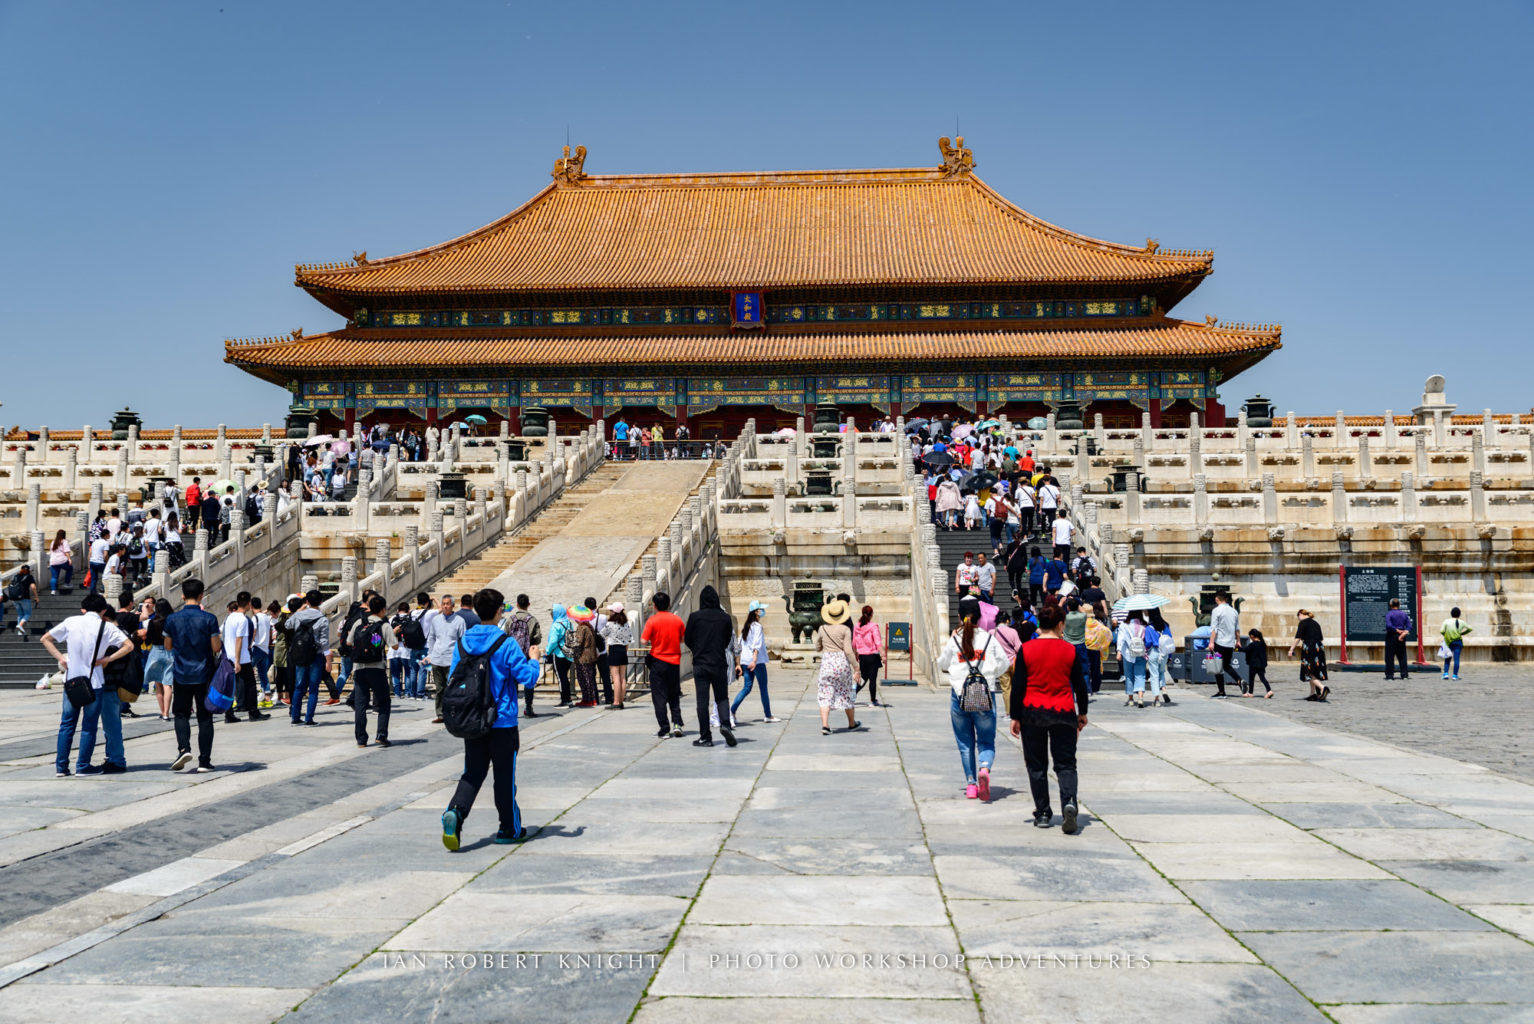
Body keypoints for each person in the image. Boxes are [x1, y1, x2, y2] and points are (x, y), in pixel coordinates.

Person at [441, 588, 542, 850]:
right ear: (499, 612)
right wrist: (534, 660)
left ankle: (456, 812)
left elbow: (454, 678)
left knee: (472, 773)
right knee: (504, 777)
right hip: (502, 721)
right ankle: (508, 828)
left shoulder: (463, 643)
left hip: (472, 719)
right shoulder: (505, 643)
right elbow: (527, 678)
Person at [1010, 601, 1090, 832]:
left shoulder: (1027, 649)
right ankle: (1069, 802)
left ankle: (1043, 813)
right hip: (1064, 712)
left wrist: (1015, 716)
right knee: (1066, 764)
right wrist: (1082, 712)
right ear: (1059, 624)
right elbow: (1079, 686)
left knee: (1036, 765)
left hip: (1032, 713)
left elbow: (1018, 686)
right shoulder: (1069, 650)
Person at [46, 593, 134, 776]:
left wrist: (62, 659)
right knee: (89, 726)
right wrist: (107, 658)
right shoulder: (106, 626)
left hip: (71, 680)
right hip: (94, 681)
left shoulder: (71, 621)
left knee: (67, 724)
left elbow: (45, 638)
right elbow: (129, 646)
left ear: (83, 608)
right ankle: (83, 766)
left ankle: (61, 767)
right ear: (103, 610)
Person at [937, 596, 1008, 801]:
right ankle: (984, 769)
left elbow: (942, 664)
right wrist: (989, 673)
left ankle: (971, 784)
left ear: (959, 617)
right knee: (986, 741)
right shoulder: (988, 638)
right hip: (984, 696)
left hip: (959, 695)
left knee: (965, 743)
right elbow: (1004, 663)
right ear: (980, 617)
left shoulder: (955, 640)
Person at [162, 579, 222, 771]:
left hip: (181, 673)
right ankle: (204, 760)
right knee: (205, 717)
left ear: (182, 595)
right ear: (201, 595)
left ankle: (183, 748)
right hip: (204, 673)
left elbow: (168, 646)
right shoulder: (209, 619)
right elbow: (215, 647)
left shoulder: (172, 619)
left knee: (181, 713)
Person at [684, 585, 736, 747]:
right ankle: (726, 724)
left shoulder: (695, 617)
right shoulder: (725, 618)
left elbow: (687, 639)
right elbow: (728, 639)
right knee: (722, 697)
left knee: (702, 701)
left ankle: (705, 736)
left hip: (701, 663)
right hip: (719, 662)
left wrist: (698, 650)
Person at [348, 595, 395, 747]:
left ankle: (361, 739)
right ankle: (381, 735)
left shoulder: (359, 623)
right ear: (383, 609)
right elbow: (394, 646)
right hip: (377, 668)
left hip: (360, 668)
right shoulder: (384, 625)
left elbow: (349, 641)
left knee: (360, 704)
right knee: (383, 702)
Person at [641, 591, 686, 738]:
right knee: (674, 694)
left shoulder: (652, 621)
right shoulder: (677, 620)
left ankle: (664, 728)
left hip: (658, 661)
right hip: (674, 662)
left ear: (654, 606)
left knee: (659, 696)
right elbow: (682, 639)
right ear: (669, 604)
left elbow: (643, 641)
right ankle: (677, 724)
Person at [814, 598, 860, 736]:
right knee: (846, 693)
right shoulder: (845, 629)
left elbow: (817, 647)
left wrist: (824, 645)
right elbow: (848, 650)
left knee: (825, 695)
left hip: (827, 663)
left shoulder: (822, 628)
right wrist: (856, 667)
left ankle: (825, 725)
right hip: (841, 664)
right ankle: (852, 724)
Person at [286, 589, 331, 725]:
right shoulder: (323, 619)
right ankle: (308, 718)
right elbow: (324, 642)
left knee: (299, 686)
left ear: (306, 602)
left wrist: (299, 612)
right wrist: (328, 660)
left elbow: (288, 625)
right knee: (313, 688)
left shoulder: (299, 615)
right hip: (316, 655)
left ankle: (295, 716)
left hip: (300, 654)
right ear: (321, 602)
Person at [221, 592, 268, 723]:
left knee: (230, 686)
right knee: (251, 685)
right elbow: (239, 640)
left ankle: (228, 714)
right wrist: (237, 661)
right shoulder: (242, 619)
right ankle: (253, 712)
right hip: (241, 658)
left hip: (229, 655)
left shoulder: (229, 617)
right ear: (249, 604)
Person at [728, 600, 772, 722]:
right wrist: (754, 660)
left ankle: (732, 711)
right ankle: (768, 715)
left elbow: (740, 645)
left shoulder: (746, 627)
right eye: (761, 609)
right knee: (763, 688)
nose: (763, 611)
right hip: (756, 662)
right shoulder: (757, 626)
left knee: (747, 688)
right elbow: (756, 645)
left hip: (745, 661)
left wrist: (739, 663)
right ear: (756, 611)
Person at [425, 594, 467, 723]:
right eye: (443, 603)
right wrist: (430, 654)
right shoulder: (436, 620)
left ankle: (454, 713)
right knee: (440, 689)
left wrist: (461, 659)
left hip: (451, 660)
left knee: (453, 689)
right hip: (437, 659)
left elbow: (463, 641)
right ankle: (441, 714)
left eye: (447, 604)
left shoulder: (459, 621)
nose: (445, 606)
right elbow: (431, 638)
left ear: (453, 605)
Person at [500, 593, 543, 716]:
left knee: (512, 682)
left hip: (513, 654)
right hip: (528, 654)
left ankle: (511, 708)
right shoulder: (532, 620)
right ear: (528, 604)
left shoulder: (511, 619)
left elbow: (505, 635)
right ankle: (528, 707)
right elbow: (537, 638)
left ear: (517, 604)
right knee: (529, 681)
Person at [1286, 609, 1329, 701]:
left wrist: (1291, 649)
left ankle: (1322, 688)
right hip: (1319, 648)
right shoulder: (1316, 623)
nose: (1299, 620)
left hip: (1309, 648)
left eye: (1298, 617)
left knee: (1307, 671)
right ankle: (1312, 694)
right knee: (1314, 671)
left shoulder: (1303, 623)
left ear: (1300, 614)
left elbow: (1297, 638)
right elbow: (1320, 639)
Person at [143, 598, 176, 721]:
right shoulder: (172, 621)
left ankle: (162, 712)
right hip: (170, 651)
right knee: (168, 684)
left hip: (156, 652)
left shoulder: (153, 622)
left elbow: (148, 640)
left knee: (158, 684)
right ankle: (167, 713)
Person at [1208, 591, 1241, 698]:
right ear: (1226, 599)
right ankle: (1239, 680)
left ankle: (1221, 692)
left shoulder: (1216, 611)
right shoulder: (1234, 611)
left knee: (1217, 668)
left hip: (1219, 643)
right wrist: (1238, 641)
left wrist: (1211, 642)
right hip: (1230, 644)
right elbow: (1237, 629)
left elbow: (1214, 629)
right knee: (1226, 665)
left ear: (1217, 599)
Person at [600, 603, 633, 710]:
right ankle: (621, 701)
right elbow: (629, 641)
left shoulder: (610, 624)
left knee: (616, 677)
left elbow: (601, 634)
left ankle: (616, 702)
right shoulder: (626, 624)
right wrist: (625, 650)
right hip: (623, 650)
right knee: (623, 677)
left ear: (614, 612)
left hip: (614, 649)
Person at [567, 604, 601, 707]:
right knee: (589, 678)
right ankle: (591, 699)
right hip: (590, 656)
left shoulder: (582, 628)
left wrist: (571, 640)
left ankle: (588, 699)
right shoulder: (589, 626)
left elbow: (579, 642)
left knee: (583, 678)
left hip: (583, 657)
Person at [851, 605, 883, 708]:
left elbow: (854, 642)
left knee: (863, 678)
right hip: (873, 655)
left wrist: (855, 653)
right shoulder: (873, 626)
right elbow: (877, 641)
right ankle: (873, 700)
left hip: (862, 656)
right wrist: (883, 654)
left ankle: (852, 695)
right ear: (871, 614)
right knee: (872, 679)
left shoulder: (857, 626)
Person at [1116, 610, 1150, 708]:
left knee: (1129, 675)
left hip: (1128, 654)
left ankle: (1131, 699)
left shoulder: (1124, 625)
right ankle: (1140, 698)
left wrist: (1119, 651)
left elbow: (1121, 639)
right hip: (1141, 653)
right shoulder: (1144, 625)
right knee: (1140, 675)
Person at [545, 603, 574, 707]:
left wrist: (547, 651)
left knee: (561, 678)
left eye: (553, 613)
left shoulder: (556, 625)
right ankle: (568, 698)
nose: (551, 615)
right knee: (564, 677)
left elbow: (553, 641)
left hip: (558, 654)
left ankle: (565, 699)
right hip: (568, 653)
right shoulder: (569, 623)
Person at [1145, 608, 1175, 707]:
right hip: (1164, 653)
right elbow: (1170, 641)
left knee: (1154, 675)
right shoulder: (1165, 626)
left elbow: (1148, 643)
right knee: (1162, 671)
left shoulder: (1149, 628)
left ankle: (1157, 699)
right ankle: (1164, 690)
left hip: (1154, 652)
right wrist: (1169, 656)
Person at [251, 594, 274, 706]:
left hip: (257, 647)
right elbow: (270, 631)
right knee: (263, 673)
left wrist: (249, 644)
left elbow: (254, 631)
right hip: (266, 648)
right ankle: (267, 697)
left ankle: (246, 696)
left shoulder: (254, 618)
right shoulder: (266, 617)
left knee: (246, 671)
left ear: (251, 606)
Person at [1384, 598, 1412, 681]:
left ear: (1391, 605)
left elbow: (1389, 625)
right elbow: (1409, 626)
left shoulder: (1389, 614)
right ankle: (1404, 675)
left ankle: (1390, 675)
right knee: (1402, 656)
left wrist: (1397, 630)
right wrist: (1404, 632)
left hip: (1392, 635)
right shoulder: (1404, 614)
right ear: (1399, 605)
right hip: (1402, 636)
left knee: (1389, 656)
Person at [1440, 608, 1471, 681]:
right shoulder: (1461, 622)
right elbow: (1470, 628)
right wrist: (1463, 633)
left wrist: (1446, 635)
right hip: (1458, 641)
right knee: (1456, 659)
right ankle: (1455, 675)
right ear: (1459, 614)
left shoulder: (1446, 621)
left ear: (1451, 614)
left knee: (1447, 658)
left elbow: (1441, 631)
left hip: (1449, 642)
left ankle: (1446, 674)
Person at [8, 565, 38, 639]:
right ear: (28, 570)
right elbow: (33, 587)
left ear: (21, 569)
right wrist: (36, 597)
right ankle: (20, 625)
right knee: (27, 614)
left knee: (20, 614)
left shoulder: (15, 576)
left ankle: (20, 631)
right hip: (24, 598)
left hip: (14, 598)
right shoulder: (29, 577)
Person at [1243, 628, 1271, 697]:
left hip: (1253, 665)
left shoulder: (1253, 644)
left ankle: (1250, 693)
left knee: (1251, 679)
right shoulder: (1263, 644)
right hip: (1261, 665)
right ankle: (1269, 691)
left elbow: (1246, 650)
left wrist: (1236, 648)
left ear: (1252, 636)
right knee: (1263, 678)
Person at [48, 530, 73, 594]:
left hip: (53, 561)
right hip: (62, 560)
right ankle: (67, 583)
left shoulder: (53, 542)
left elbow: (51, 552)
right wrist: (69, 559)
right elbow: (66, 552)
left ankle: (53, 590)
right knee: (70, 569)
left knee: (54, 577)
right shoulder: (64, 542)